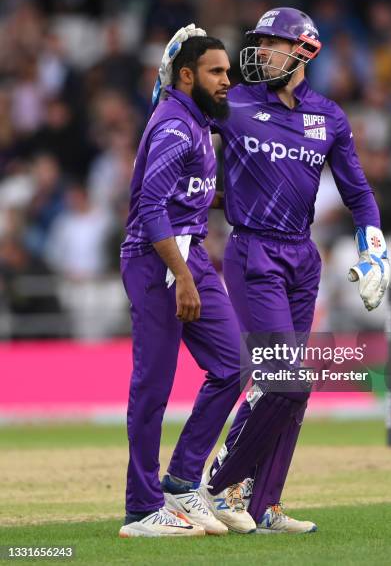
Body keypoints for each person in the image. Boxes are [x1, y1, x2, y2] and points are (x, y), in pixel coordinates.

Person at [158, 9, 389, 533]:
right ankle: (217, 483)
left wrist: (374, 249)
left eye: (273, 44)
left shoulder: (328, 116)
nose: (260, 53)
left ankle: (264, 506)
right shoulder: (233, 100)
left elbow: (358, 193)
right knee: (288, 382)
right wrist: (167, 76)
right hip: (252, 253)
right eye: (258, 43)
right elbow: (173, 121)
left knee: (284, 393)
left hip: (302, 258)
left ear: (303, 52)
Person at [118, 30, 256, 538]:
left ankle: (179, 480)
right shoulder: (176, 127)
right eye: (217, 72)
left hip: (190, 252)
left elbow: (183, 194)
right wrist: (180, 275)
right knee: (153, 385)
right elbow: (149, 209)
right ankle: (140, 509)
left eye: (228, 72)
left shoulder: (196, 121)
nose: (227, 81)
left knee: (233, 363)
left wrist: (222, 202)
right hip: (158, 261)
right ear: (186, 75)